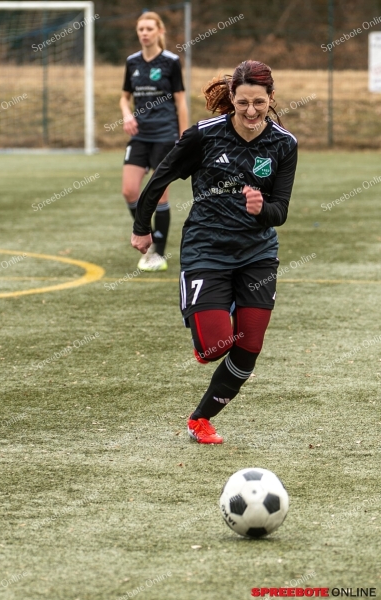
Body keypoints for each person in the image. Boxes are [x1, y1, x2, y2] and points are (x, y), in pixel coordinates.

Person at [130, 60, 298, 444]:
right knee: (213, 348)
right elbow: (160, 178)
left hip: (258, 254)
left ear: (271, 98)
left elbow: (281, 212)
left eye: (259, 102)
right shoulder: (204, 136)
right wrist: (142, 227)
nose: (251, 111)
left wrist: (262, 209)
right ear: (232, 99)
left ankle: (201, 419)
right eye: (243, 103)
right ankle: (212, 315)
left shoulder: (284, 144)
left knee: (249, 346)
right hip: (206, 250)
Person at [121, 11, 188, 272]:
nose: (144, 33)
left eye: (149, 28)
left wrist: (183, 138)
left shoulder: (171, 62)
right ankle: (145, 236)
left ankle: (157, 254)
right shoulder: (132, 62)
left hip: (165, 135)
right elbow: (124, 97)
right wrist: (127, 114)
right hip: (140, 136)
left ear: (160, 31)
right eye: (141, 29)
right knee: (129, 190)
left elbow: (180, 102)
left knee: (159, 194)